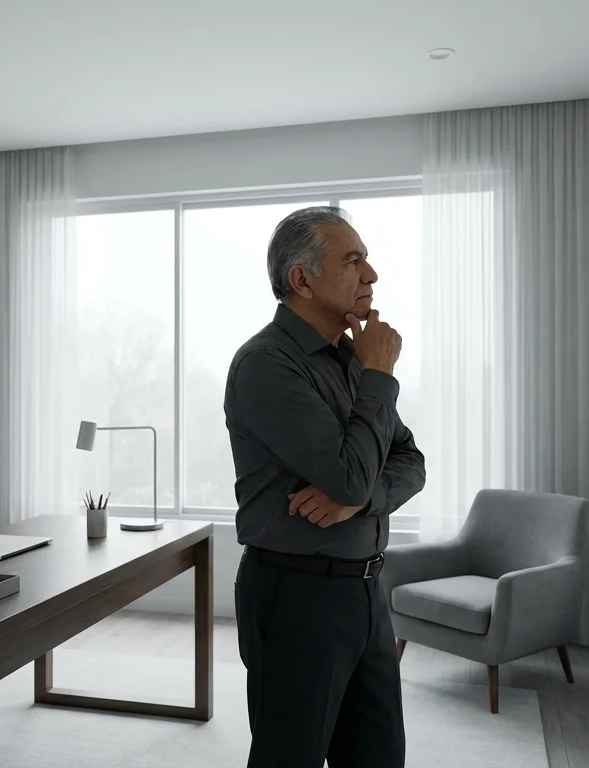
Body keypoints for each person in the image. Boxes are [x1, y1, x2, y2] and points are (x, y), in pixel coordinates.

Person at [223, 205, 426, 768]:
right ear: (301, 278)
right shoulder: (267, 365)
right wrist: (381, 376)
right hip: (296, 597)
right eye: (353, 260)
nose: (372, 276)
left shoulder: (351, 359)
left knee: (379, 756)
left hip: (365, 592)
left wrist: (358, 501)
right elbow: (351, 474)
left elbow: (410, 459)